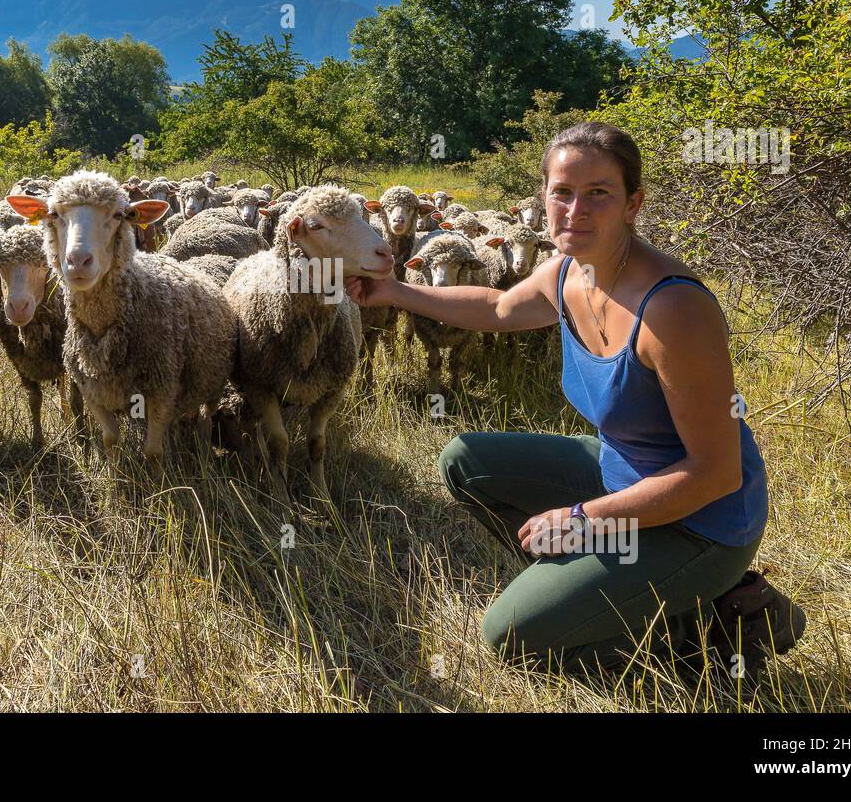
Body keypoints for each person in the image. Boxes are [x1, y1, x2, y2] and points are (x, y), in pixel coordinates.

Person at [345, 122, 805, 676]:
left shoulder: (673, 311)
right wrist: (395, 290)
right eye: (561, 192)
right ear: (543, 197)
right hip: (621, 476)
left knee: (511, 639)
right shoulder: (565, 271)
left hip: (702, 523)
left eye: (598, 194)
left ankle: (724, 622)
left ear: (633, 204)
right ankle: (603, 594)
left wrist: (585, 519)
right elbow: (496, 309)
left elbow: (716, 474)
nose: (575, 209)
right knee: (464, 462)